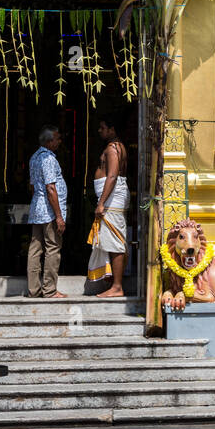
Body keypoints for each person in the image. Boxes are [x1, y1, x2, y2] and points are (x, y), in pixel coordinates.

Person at [88, 116, 128, 297]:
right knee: (111, 240)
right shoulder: (116, 147)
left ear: (112, 129)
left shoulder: (113, 149)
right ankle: (113, 283)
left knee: (115, 242)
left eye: (102, 127)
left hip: (112, 200)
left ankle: (117, 287)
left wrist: (102, 202)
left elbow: (112, 176)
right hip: (112, 198)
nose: (99, 131)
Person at [27, 125, 67, 300]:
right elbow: (51, 188)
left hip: (37, 209)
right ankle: (50, 290)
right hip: (49, 212)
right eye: (57, 139)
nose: (59, 142)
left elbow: (32, 185)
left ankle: (34, 290)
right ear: (50, 141)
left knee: (35, 249)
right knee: (52, 248)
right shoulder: (48, 159)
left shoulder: (34, 157)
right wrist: (58, 215)